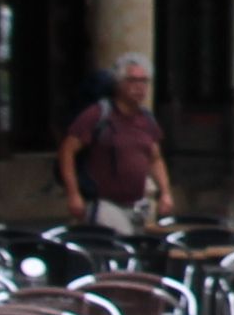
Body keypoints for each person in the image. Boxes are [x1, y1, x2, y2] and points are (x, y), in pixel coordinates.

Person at [62, 57, 168, 225]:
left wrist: (165, 192)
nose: (139, 87)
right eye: (132, 80)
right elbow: (67, 151)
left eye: (144, 81)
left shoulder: (147, 119)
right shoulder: (98, 114)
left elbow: (155, 158)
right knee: (121, 245)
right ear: (118, 83)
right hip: (104, 203)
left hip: (137, 204)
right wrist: (74, 194)